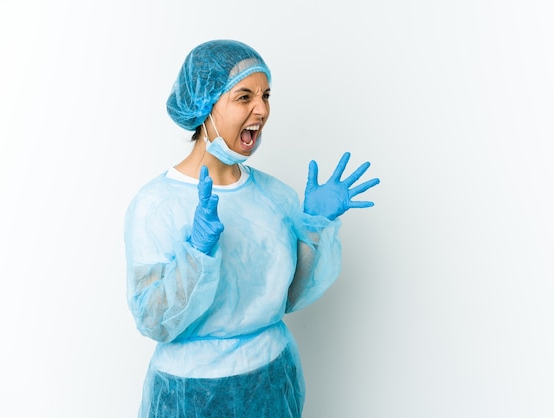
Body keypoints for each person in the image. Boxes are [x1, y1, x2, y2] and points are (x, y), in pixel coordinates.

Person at [124, 39, 380, 418]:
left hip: (271, 379)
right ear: (205, 106)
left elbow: (290, 296)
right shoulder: (156, 205)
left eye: (266, 95)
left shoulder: (274, 196)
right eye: (244, 97)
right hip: (189, 394)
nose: (262, 109)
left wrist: (313, 226)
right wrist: (197, 252)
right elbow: (154, 321)